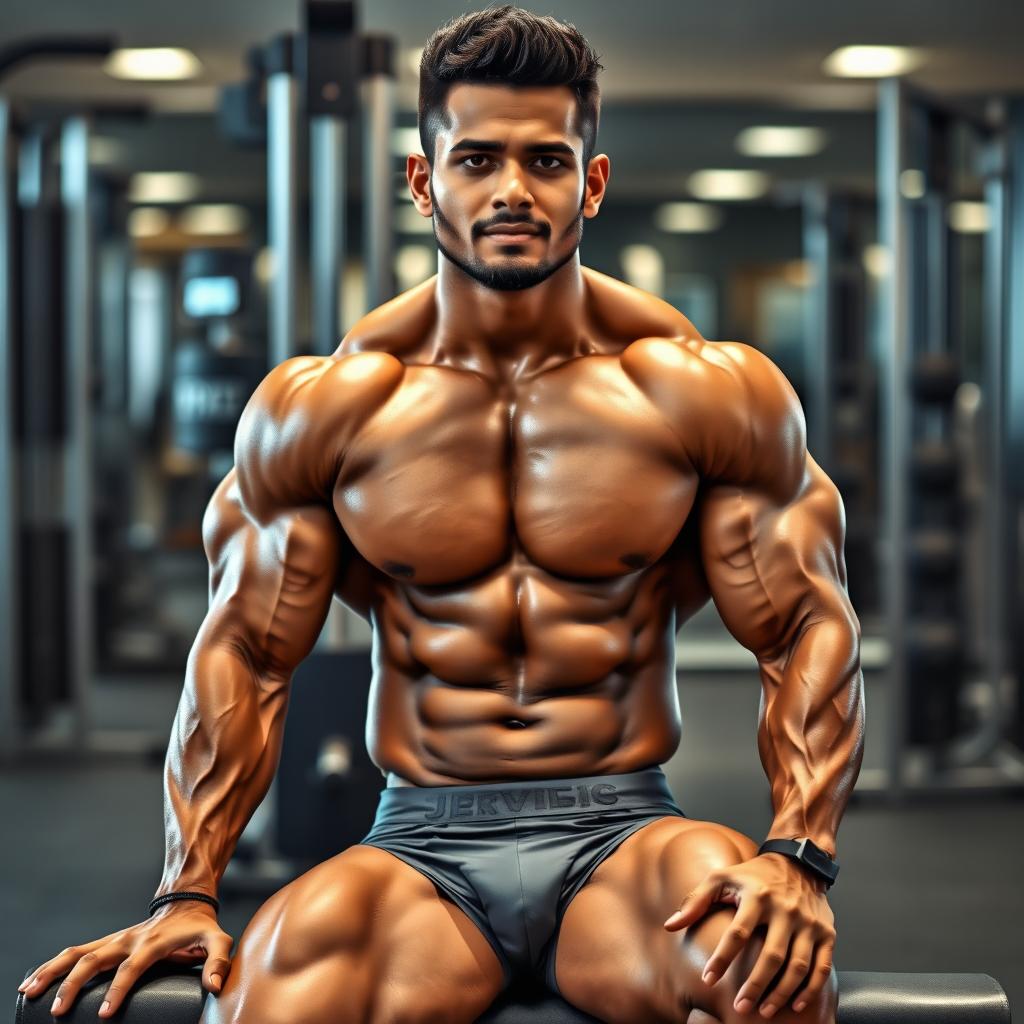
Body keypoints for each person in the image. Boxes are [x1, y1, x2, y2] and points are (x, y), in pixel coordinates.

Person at [18, 7, 864, 1023]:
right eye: (476, 160)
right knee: (261, 1002)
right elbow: (244, 650)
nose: (512, 189)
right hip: (419, 843)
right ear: (425, 181)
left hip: (622, 828)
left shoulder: (703, 394)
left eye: (547, 160)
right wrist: (186, 889)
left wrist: (798, 851)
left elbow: (805, 623)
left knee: (764, 974)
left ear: (590, 184)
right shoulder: (327, 408)